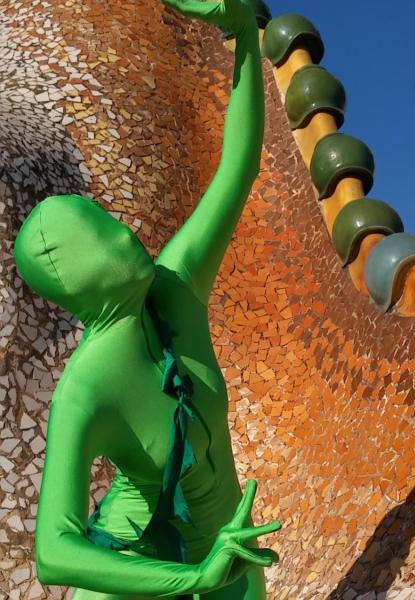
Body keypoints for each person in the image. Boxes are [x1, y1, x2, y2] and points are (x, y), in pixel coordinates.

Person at [13, 0, 281, 598]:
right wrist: (190, 577)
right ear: (75, 285)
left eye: (108, 221)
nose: (125, 233)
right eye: (100, 240)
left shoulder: (175, 285)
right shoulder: (85, 389)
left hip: (229, 554)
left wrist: (242, 37)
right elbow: (54, 552)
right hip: (137, 576)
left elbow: (235, 169)